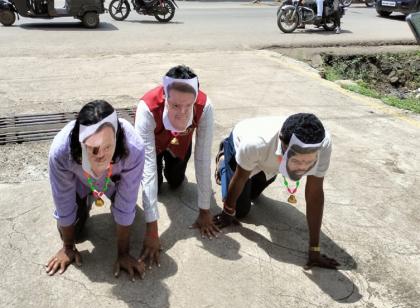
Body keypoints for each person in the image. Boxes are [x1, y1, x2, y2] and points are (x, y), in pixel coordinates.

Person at [213, 113, 340, 269]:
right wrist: (227, 212)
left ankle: (264, 174)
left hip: (269, 161)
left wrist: (315, 250)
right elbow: (240, 178)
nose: (303, 168)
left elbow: (314, 193)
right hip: (242, 145)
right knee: (240, 210)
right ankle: (224, 160)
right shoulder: (255, 143)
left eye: (309, 161)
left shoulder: (323, 144)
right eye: (298, 160)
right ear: (282, 143)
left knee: (254, 193)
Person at [46, 100, 146, 281]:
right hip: (81, 182)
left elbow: (128, 199)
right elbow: (63, 200)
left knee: (127, 213)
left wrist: (123, 253)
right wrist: (68, 246)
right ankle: (86, 199)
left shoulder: (134, 148)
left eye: (108, 146)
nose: (101, 155)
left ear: (117, 137)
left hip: (112, 181)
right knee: (74, 235)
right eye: (93, 149)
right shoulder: (61, 152)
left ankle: (105, 195)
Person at [135, 65, 218, 268]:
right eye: (174, 106)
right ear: (165, 97)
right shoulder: (146, 108)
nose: (182, 112)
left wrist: (205, 210)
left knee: (175, 181)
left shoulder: (205, 106)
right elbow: (146, 170)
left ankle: (174, 169)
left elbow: (203, 157)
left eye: (188, 106)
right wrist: (152, 229)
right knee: (154, 182)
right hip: (152, 146)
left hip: (179, 145)